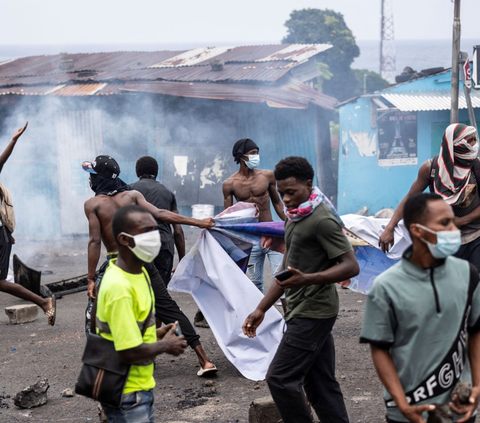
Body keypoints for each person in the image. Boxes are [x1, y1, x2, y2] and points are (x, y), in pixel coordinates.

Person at [243, 156, 359, 423]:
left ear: (309, 184)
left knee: (280, 378)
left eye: (291, 192)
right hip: (300, 308)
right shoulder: (295, 216)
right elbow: (286, 270)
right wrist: (261, 308)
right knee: (319, 385)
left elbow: (350, 266)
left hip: (314, 311)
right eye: (281, 193)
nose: (286, 199)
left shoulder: (321, 219)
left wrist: (307, 279)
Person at [83, 155, 217, 376]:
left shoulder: (93, 205)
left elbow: (95, 241)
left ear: (100, 179)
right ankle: (205, 360)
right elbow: (161, 214)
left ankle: (107, 369)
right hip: (144, 262)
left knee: (96, 315)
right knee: (168, 308)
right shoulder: (133, 196)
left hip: (118, 265)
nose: (90, 180)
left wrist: (90, 279)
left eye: (92, 176)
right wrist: (199, 222)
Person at [361, 193, 480, 423]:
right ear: (417, 230)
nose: (454, 229)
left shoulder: (468, 274)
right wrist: (403, 405)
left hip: (460, 409)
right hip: (410, 412)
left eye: (453, 221)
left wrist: (477, 385)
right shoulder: (386, 287)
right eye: (444, 223)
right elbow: (380, 349)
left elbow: (475, 331)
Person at [96, 204, 188, 422]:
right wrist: (166, 345)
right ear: (124, 240)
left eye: (155, 230)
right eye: (145, 232)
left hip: (137, 386)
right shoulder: (119, 286)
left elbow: (121, 332)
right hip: (126, 391)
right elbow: (127, 352)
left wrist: (154, 334)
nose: (154, 237)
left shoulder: (139, 273)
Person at [379, 124, 480, 268]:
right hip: (444, 238)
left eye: (474, 140)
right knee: (447, 282)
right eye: (468, 141)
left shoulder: (476, 167)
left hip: (476, 235)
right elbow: (410, 199)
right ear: (453, 145)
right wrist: (390, 228)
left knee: (474, 280)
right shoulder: (431, 169)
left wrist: (462, 221)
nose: (473, 145)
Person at [0, 122, 56, 325]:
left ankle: (43, 302)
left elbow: (1, 162)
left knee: (0, 282)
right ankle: (43, 302)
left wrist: (13, 140)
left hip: (0, 235)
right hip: (2, 234)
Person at [223, 138, 286, 293]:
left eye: (257, 153)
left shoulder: (267, 176)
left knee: (282, 279)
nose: (256, 156)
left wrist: (290, 223)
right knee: (255, 283)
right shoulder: (229, 184)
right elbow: (230, 216)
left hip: (272, 233)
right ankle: (260, 316)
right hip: (250, 238)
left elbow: (277, 203)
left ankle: (288, 317)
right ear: (241, 156)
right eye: (252, 153)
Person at [129, 156, 184, 286]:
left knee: (138, 289)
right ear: (157, 172)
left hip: (138, 245)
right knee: (160, 293)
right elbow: (177, 230)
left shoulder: (129, 190)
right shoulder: (168, 193)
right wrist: (182, 261)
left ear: (137, 173)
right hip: (163, 246)